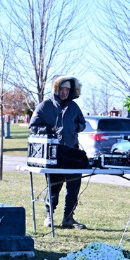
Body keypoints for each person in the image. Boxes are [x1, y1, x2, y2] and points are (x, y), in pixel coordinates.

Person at [29, 76, 87, 229]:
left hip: (73, 152)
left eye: (67, 90)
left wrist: (76, 128)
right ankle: (49, 217)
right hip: (53, 153)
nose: (64, 93)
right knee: (54, 186)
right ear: (56, 89)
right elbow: (33, 127)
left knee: (74, 186)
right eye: (61, 89)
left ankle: (68, 218)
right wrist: (49, 131)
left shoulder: (74, 107)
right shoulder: (44, 106)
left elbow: (83, 124)